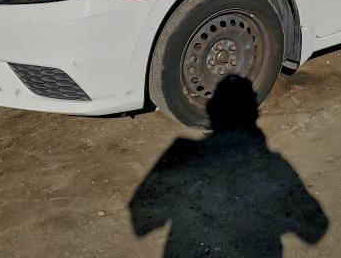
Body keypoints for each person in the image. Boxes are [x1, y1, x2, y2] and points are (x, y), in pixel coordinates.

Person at [129, 76, 328, 257]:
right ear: (254, 114)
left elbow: (141, 223)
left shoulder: (181, 154)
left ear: (212, 111)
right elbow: (315, 229)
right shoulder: (275, 166)